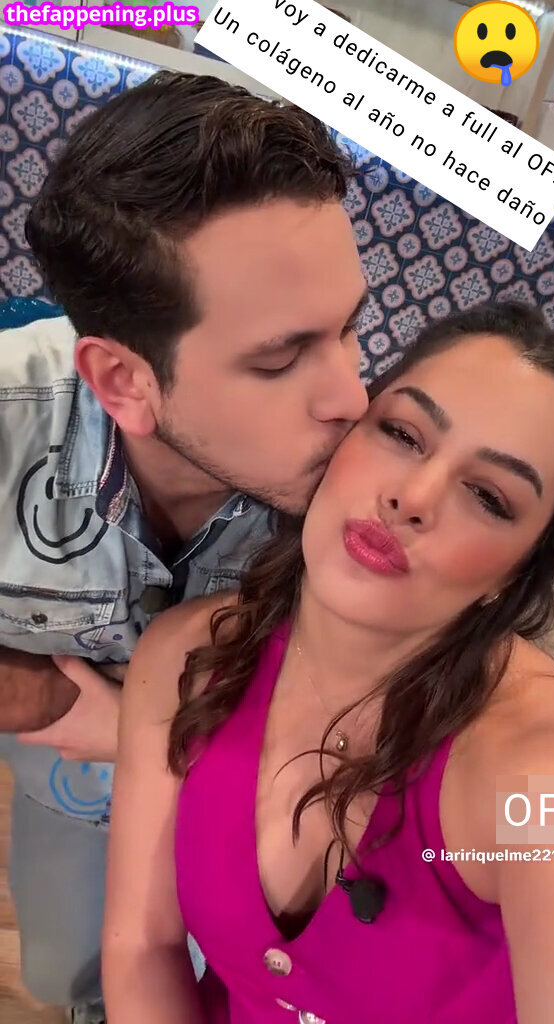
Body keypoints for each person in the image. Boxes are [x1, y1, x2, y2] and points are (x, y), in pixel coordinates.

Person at [0, 70, 368, 1023]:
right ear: (124, 380)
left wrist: (124, 722)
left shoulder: (375, 471)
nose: (353, 399)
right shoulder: (8, 427)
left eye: (351, 330)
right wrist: (42, 696)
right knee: (70, 978)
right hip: (65, 787)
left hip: (256, 806)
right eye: (281, 358)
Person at [104, 301, 554, 1024]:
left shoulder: (541, 782)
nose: (412, 497)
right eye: (402, 434)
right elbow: (143, 948)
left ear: (513, 575)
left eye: (488, 496)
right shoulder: (186, 659)